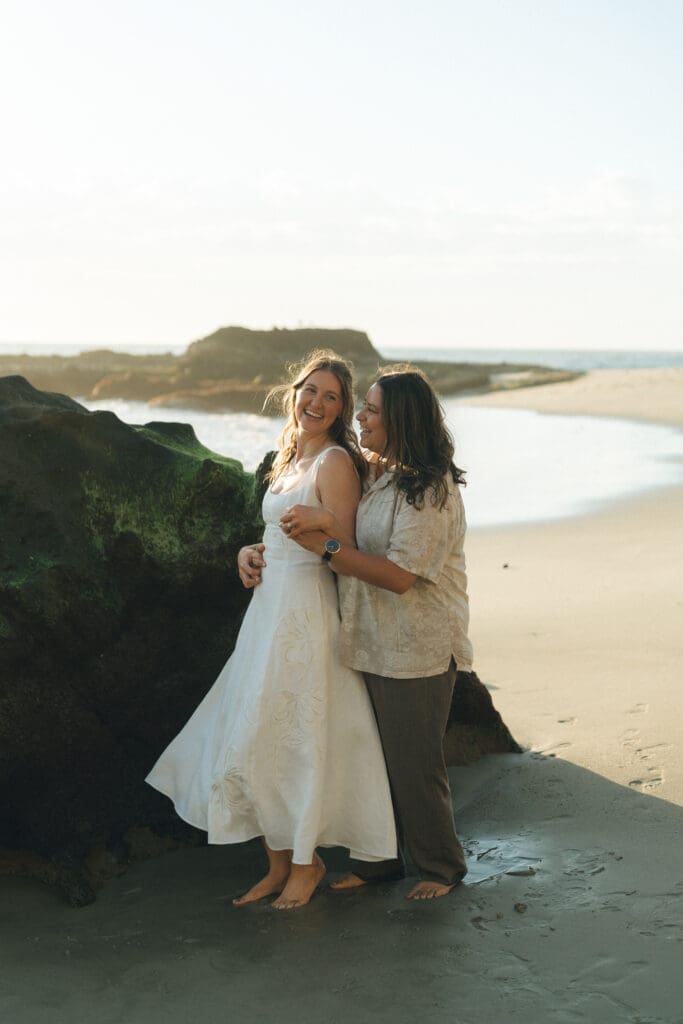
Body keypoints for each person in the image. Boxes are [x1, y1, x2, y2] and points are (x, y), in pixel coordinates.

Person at [146, 351, 396, 910]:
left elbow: (348, 549)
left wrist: (324, 524)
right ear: (295, 393)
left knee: (296, 738)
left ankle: (308, 864)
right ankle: (276, 864)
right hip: (265, 611)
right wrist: (248, 553)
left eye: (331, 397)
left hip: (305, 613)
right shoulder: (286, 459)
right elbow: (273, 532)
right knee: (251, 735)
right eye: (311, 390)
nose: (317, 403)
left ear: (340, 410)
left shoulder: (333, 462)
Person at [244, 365, 472, 899]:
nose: (360, 417)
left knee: (415, 764)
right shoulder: (380, 471)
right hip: (367, 638)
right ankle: (381, 862)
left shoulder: (430, 491)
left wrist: (324, 547)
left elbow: (397, 575)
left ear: (401, 421)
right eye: (363, 406)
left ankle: (440, 869)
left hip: (417, 644)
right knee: (375, 758)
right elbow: (344, 522)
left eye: (370, 410)